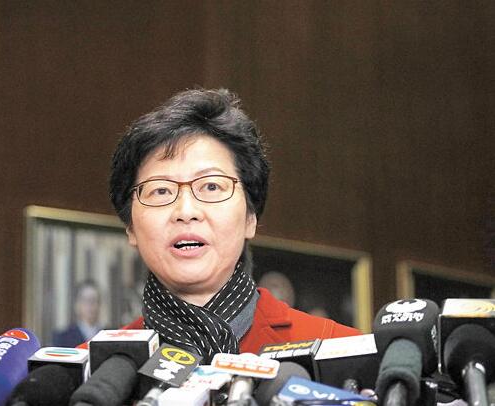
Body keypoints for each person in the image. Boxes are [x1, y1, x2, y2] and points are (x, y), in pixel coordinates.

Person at [107, 88, 359, 362]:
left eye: (211, 186)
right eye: (161, 191)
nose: (186, 212)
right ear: (130, 227)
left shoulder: (340, 351)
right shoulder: (90, 370)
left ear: (251, 217)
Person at [53, 280, 102, 347]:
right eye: (86, 300)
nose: (90, 305)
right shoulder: (63, 338)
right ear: (77, 305)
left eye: (94, 300)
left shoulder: (109, 337)